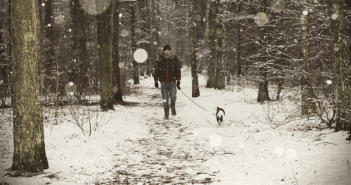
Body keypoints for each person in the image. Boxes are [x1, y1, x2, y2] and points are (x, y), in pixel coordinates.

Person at [154, 44, 181, 119]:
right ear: (163, 51)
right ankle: (166, 112)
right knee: (165, 99)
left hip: (172, 83)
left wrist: (178, 81)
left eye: (168, 50)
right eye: (165, 51)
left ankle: (173, 106)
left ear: (170, 51)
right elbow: (156, 71)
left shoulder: (174, 59)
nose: (167, 52)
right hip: (163, 84)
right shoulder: (160, 60)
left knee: (173, 97)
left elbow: (178, 71)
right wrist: (156, 81)